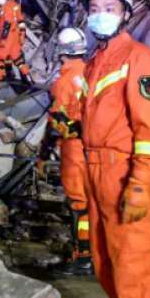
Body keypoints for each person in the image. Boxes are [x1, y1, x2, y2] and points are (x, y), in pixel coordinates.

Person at [79, 0, 150, 298]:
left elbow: (149, 128)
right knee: (106, 264)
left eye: (110, 8)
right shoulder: (94, 63)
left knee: (134, 267)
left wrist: (141, 183)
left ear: (125, 14)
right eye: (95, 8)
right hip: (93, 172)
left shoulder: (140, 59)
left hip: (123, 173)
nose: (101, 14)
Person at [39, 27, 93, 276]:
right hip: (94, 146)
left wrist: (45, 151)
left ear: (62, 51)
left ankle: (83, 257)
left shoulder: (63, 82)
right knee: (93, 200)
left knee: (78, 204)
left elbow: (58, 121)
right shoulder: (91, 72)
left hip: (74, 147)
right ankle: (95, 252)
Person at [0, 0, 32, 85]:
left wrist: (2, 40)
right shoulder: (14, 5)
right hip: (15, 37)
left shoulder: (7, 8)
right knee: (17, 59)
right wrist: (22, 35)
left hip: (7, 37)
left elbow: (6, 25)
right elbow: (21, 22)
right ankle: (28, 79)